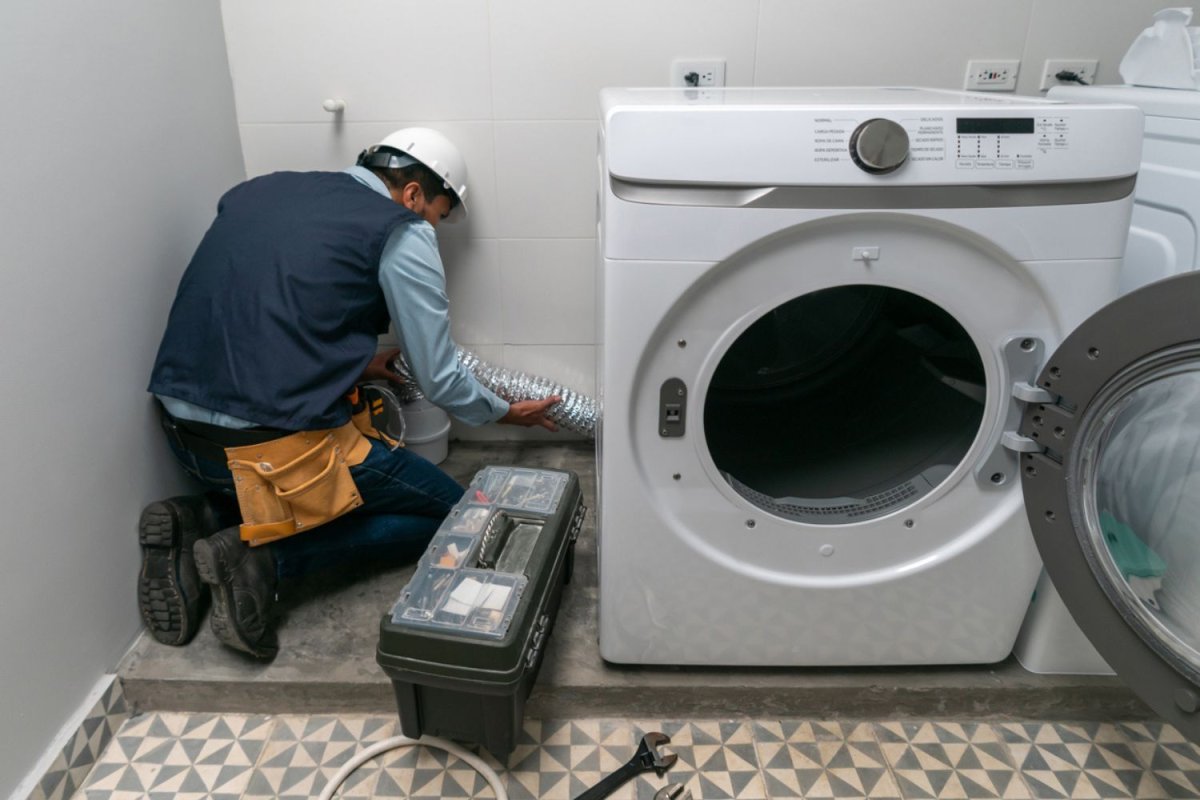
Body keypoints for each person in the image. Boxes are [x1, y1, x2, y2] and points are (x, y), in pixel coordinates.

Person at [140, 128, 560, 659]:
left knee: (324, 481)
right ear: (411, 194)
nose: (429, 226)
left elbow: (257, 307)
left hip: (185, 439)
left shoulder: (260, 190)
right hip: (273, 455)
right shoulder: (401, 230)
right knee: (454, 515)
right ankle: (263, 563)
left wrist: (356, 362)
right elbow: (440, 378)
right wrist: (504, 413)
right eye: (435, 214)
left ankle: (201, 518)